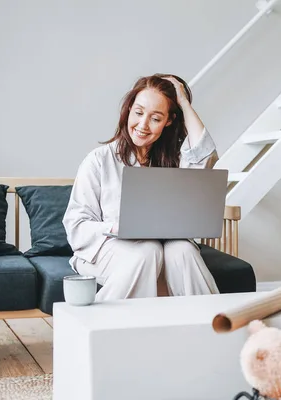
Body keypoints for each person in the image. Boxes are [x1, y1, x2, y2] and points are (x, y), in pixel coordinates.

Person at [62, 73, 220, 301]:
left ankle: (215, 329)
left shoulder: (176, 160)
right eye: (138, 113)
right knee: (147, 251)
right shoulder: (100, 159)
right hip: (108, 249)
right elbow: (77, 225)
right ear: (128, 111)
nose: (143, 125)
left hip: (166, 246)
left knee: (183, 250)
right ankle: (105, 328)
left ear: (169, 121)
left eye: (155, 118)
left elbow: (205, 157)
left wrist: (184, 103)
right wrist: (119, 228)